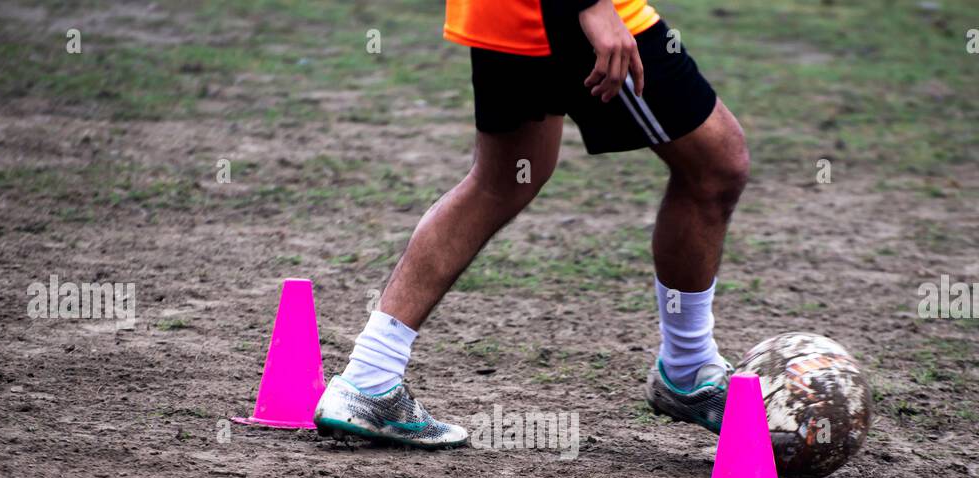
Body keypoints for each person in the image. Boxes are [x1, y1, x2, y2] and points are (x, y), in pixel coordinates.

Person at [314, 0, 750, 447]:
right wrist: (592, 6)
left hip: (507, 12)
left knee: (501, 181)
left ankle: (369, 379)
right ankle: (689, 370)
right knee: (717, 164)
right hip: (562, 14)